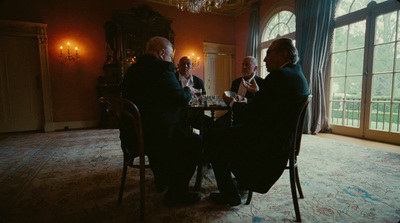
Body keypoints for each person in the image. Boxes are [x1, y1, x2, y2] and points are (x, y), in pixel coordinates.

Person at [206, 38, 310, 206]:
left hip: (267, 146)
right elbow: (270, 108)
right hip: (284, 141)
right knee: (223, 133)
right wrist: (258, 94)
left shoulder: (279, 76)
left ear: (283, 53)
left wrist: (231, 103)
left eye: (268, 53)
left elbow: (254, 115)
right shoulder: (298, 75)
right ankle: (239, 184)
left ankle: (230, 194)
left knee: (214, 137)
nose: (264, 59)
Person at [120, 36, 202, 207]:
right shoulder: (162, 69)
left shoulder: (132, 70)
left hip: (133, 134)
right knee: (195, 142)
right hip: (155, 136)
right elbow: (179, 99)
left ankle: (163, 180)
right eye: (170, 55)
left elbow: (156, 99)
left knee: (171, 131)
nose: (170, 59)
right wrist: (187, 90)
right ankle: (177, 194)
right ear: (162, 53)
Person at [216, 56, 263, 126]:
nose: (243, 67)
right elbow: (231, 98)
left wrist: (244, 99)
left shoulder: (261, 83)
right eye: (243, 64)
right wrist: (227, 98)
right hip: (233, 114)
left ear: (255, 68)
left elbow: (260, 103)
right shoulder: (236, 82)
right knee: (214, 125)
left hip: (248, 119)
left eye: (247, 64)